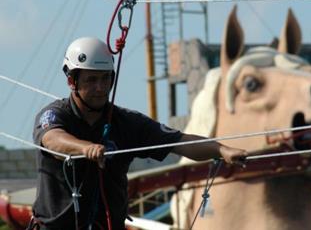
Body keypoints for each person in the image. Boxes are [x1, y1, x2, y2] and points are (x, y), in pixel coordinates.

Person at [30, 37, 247, 230]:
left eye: (106, 79)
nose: (100, 87)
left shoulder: (127, 123)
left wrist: (221, 149)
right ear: (72, 81)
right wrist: (84, 148)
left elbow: (179, 141)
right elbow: (52, 139)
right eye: (91, 80)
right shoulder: (54, 114)